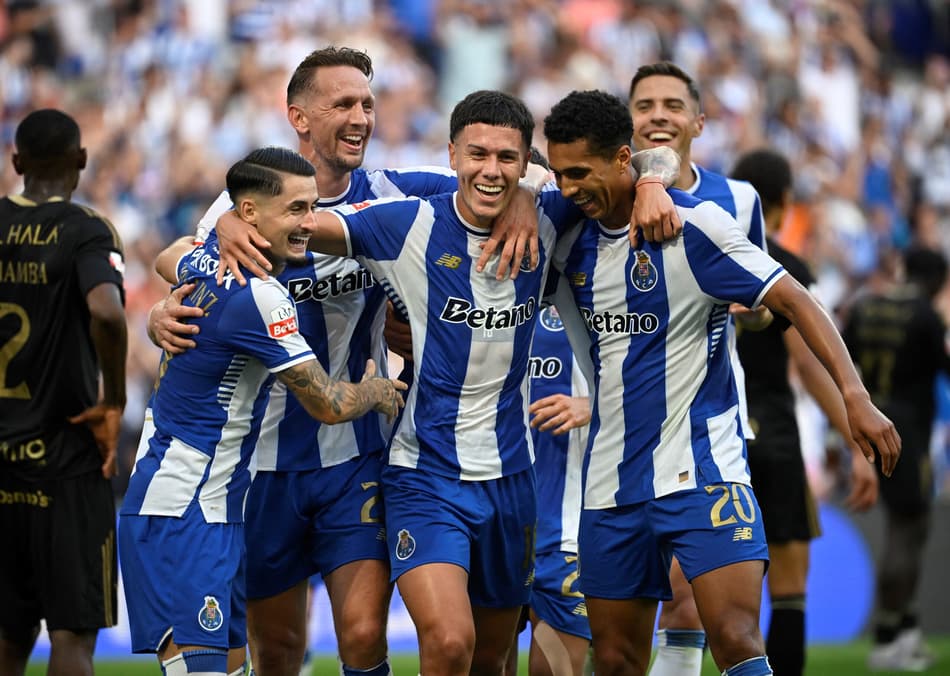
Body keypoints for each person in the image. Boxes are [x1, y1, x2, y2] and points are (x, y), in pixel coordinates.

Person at [149, 47, 680, 676]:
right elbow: (179, 260)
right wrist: (167, 301)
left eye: (367, 104)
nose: (360, 117)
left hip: (358, 453)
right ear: (298, 116)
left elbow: (539, 169)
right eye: (343, 104)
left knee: (367, 633)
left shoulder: (398, 191)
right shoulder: (248, 202)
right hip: (263, 459)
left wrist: (530, 192)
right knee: (282, 647)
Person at [542, 89, 900, 676]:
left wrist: (855, 398)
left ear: (623, 158)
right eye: (559, 174)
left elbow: (796, 300)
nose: (567, 187)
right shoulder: (564, 236)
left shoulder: (697, 226)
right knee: (615, 658)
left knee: (735, 637)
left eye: (579, 172)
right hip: (609, 483)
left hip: (703, 470)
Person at [118, 146, 405, 676]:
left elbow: (173, 258)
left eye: (312, 208)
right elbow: (328, 402)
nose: (310, 223)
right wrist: (379, 392)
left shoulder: (210, 257)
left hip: (214, 508)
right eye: (296, 210)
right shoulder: (262, 297)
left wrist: (164, 304)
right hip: (182, 511)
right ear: (249, 213)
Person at [627, 61, 769, 675]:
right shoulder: (607, 198)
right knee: (620, 625)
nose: (659, 115)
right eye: (644, 105)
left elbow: (766, 303)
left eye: (673, 105)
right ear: (629, 122)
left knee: (691, 596)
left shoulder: (739, 199)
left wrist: (751, 312)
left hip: (710, 419)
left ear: (699, 122)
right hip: (619, 429)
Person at [731, 148, 879, 676]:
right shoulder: (787, 270)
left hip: (716, 434)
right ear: (786, 200)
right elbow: (812, 366)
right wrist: (858, 442)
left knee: (716, 598)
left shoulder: (708, 254)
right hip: (772, 433)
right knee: (789, 590)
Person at [0, 108, 127, 676]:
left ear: (17, 162)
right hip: (66, 458)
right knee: (71, 637)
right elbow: (108, 312)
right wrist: (114, 399)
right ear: (81, 159)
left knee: (8, 635)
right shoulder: (86, 230)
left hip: (2, 459)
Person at [842, 245, 950, 672]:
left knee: (901, 527)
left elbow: (842, 363)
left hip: (867, 424)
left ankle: (906, 631)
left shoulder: (866, 305)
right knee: (908, 530)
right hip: (907, 434)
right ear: (938, 280)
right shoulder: (926, 316)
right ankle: (887, 639)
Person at [524, 304, 593, 676]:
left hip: (567, 531)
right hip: (490, 518)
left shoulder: (596, 289)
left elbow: (660, 374)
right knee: (482, 662)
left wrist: (593, 405)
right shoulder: (480, 290)